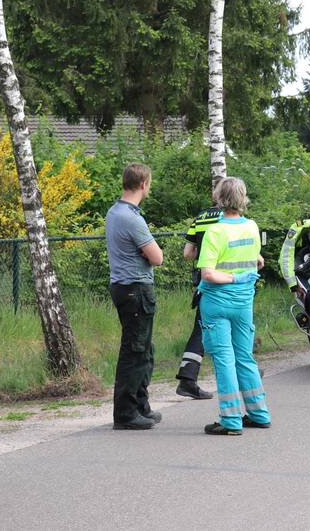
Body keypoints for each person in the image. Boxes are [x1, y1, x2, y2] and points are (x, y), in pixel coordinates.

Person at [197, 177, 270, 435]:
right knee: (244, 357)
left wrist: (232, 277)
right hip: (243, 303)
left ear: (219, 199)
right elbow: (257, 260)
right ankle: (259, 413)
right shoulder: (251, 226)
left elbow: (208, 274)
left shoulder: (215, 232)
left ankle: (230, 420)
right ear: (243, 198)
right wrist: (244, 273)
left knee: (224, 360)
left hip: (217, 302)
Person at [105, 163, 164, 430]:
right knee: (135, 350)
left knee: (143, 349)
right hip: (135, 289)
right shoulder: (132, 218)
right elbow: (158, 257)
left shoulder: (114, 212)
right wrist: (146, 253)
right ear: (144, 184)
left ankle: (141, 405)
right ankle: (126, 413)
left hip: (123, 286)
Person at [174, 206, 222, 400]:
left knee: (202, 327)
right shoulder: (231, 216)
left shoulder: (200, 218)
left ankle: (187, 376)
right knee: (235, 324)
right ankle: (245, 372)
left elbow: (187, 253)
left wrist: (203, 256)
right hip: (226, 279)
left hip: (204, 281)